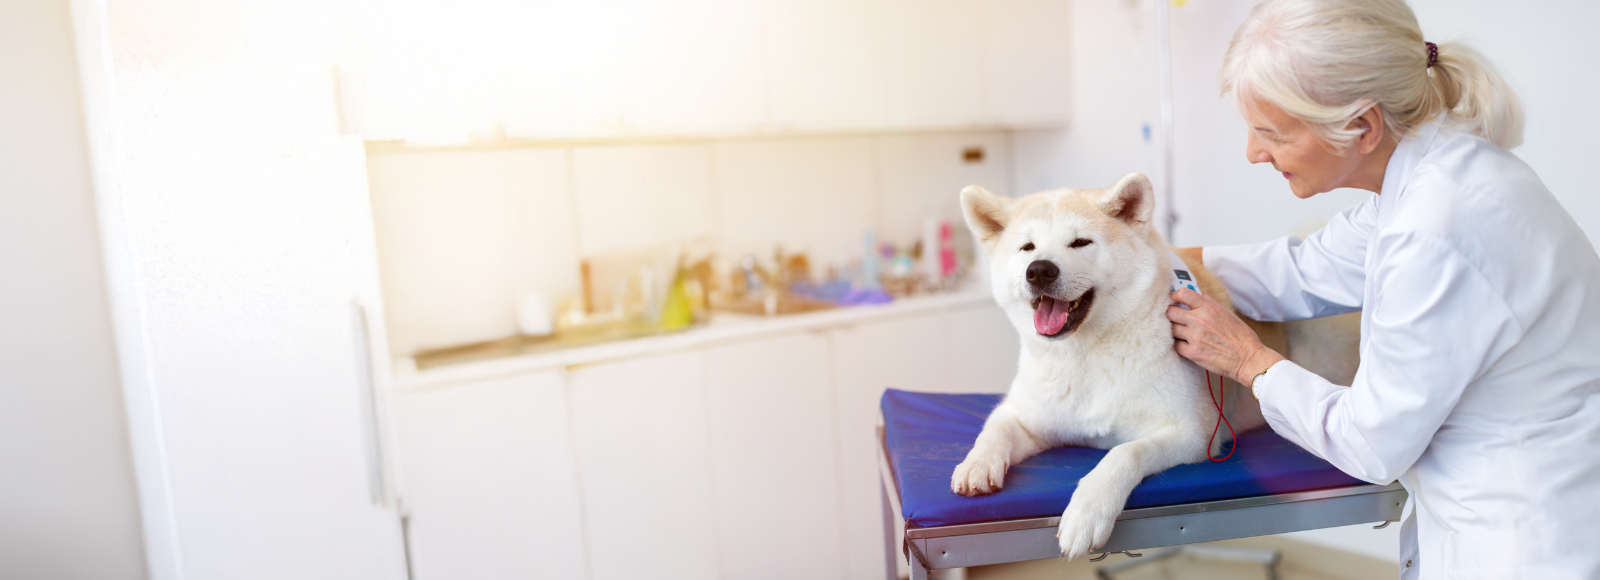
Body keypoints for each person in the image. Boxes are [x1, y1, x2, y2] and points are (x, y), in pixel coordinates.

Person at [1162, 1, 1600, 578]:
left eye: (1271, 132)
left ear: (1362, 126)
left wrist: (1249, 361)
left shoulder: (1435, 225)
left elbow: (1370, 445)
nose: (1253, 152)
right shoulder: (1432, 172)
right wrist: (1160, 260)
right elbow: (1307, 268)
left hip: (1525, 539)